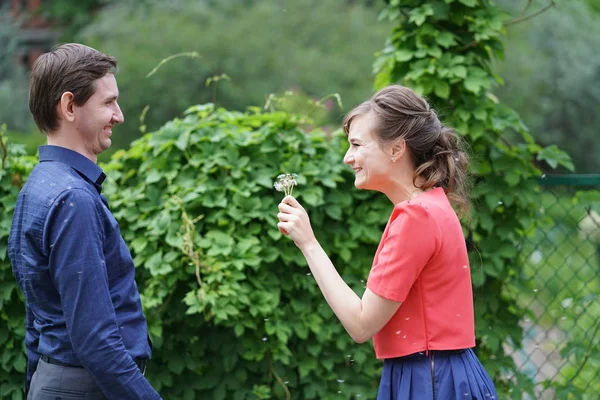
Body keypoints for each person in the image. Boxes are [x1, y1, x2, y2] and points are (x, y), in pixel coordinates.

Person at [276, 85, 497, 399]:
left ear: (396, 150)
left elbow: (361, 324)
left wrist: (308, 243)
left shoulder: (416, 218)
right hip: (444, 374)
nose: (347, 158)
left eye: (356, 144)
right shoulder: (433, 204)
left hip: (429, 380)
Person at [8, 43, 162, 399]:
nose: (119, 115)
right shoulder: (73, 198)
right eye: (108, 103)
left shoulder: (38, 187)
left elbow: (38, 320)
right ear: (69, 107)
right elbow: (96, 341)